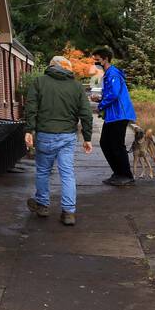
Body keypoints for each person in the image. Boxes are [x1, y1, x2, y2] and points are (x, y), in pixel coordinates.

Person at [23, 55, 94, 226]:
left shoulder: (39, 82)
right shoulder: (76, 86)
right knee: (67, 173)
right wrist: (87, 138)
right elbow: (86, 113)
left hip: (45, 134)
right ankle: (69, 212)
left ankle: (42, 205)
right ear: (66, 68)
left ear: (51, 66)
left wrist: (29, 130)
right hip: (67, 136)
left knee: (42, 171)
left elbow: (31, 108)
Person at [93, 46, 137, 186]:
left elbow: (114, 93)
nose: (96, 63)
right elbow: (111, 93)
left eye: (98, 60)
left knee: (117, 145)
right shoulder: (109, 74)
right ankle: (118, 173)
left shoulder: (112, 73)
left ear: (105, 59)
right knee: (105, 143)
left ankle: (126, 175)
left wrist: (101, 105)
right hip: (113, 115)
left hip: (119, 114)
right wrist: (100, 98)